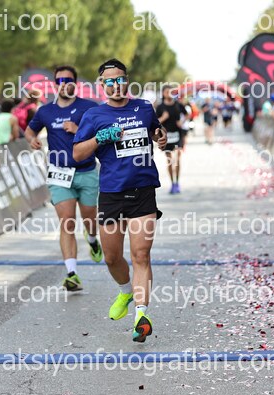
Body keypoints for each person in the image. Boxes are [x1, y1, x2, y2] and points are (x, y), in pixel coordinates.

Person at [73, 58, 167, 342]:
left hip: (143, 191)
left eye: (121, 79)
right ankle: (126, 292)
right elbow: (78, 154)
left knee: (141, 254)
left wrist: (161, 138)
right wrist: (101, 138)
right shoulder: (94, 115)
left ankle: (141, 315)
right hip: (112, 194)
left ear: (127, 80)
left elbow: (156, 132)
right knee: (112, 257)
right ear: (102, 85)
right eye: (110, 81)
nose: (116, 85)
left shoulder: (144, 108)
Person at [25, 65, 103, 291]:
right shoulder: (45, 111)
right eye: (59, 81)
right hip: (59, 174)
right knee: (67, 221)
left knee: (89, 219)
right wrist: (31, 139)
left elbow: (102, 132)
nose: (63, 84)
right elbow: (30, 130)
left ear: (74, 83)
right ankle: (72, 274)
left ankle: (92, 239)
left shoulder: (89, 107)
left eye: (68, 80)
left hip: (86, 171)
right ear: (54, 85)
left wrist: (79, 129)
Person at [156, 86, 187, 194]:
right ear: (163, 94)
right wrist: (163, 118)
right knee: (169, 160)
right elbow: (155, 122)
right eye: (167, 92)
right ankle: (172, 183)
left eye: (170, 91)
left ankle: (177, 182)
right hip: (166, 136)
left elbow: (187, 114)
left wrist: (182, 122)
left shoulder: (178, 104)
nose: (169, 93)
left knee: (177, 158)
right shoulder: (160, 107)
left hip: (177, 134)